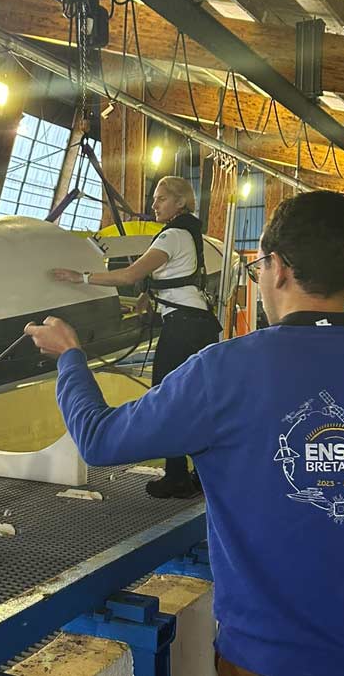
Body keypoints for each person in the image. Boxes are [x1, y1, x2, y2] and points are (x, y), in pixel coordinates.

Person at [26, 190, 344, 676]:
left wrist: (70, 358)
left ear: (280, 268)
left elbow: (99, 439)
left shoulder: (223, 371)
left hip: (263, 660)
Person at [49, 176, 220, 499]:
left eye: (161, 199)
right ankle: (202, 474)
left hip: (183, 327)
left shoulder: (171, 235)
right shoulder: (189, 234)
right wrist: (147, 300)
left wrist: (80, 277)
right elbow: (176, 279)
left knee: (167, 399)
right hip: (198, 323)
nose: (153, 205)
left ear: (180, 202)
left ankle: (176, 477)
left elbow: (130, 275)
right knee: (193, 398)